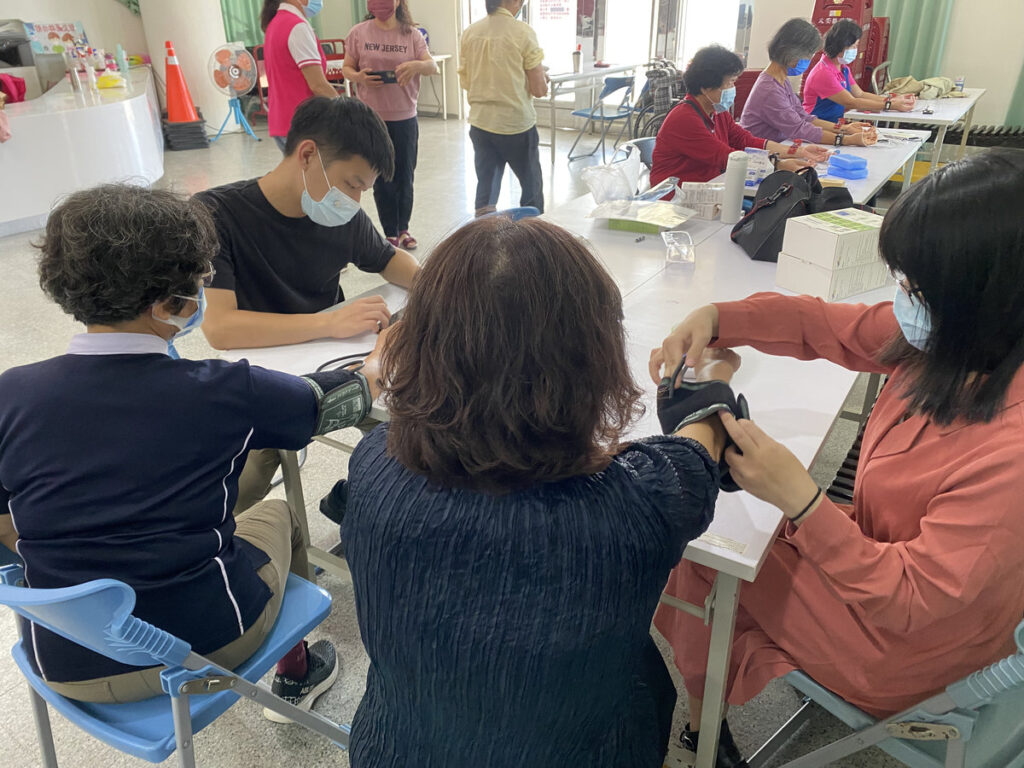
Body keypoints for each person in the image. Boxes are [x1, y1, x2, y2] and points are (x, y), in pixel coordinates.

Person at [648, 149, 1024, 766]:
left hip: (909, 644)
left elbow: (911, 600)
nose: (902, 300)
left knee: (703, 553)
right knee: (740, 536)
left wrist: (801, 500)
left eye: (914, 288)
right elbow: (821, 323)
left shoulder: (1009, 454)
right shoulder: (959, 345)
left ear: (978, 298)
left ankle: (703, 732)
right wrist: (716, 318)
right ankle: (714, 702)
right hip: (900, 574)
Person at [340, 216, 747, 766]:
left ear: (420, 348)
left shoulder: (373, 464)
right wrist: (708, 388)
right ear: (594, 362)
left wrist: (382, 364)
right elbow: (695, 452)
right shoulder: (643, 504)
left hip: (396, 750)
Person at [0, 184, 387, 718]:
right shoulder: (224, 391)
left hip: (63, 660)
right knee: (280, 514)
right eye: (201, 281)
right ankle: (296, 675)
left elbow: (7, 528)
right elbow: (336, 403)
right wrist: (378, 361)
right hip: (202, 646)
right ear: (167, 303)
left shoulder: (11, 393)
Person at [195, 96, 420, 514]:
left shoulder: (342, 216)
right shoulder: (217, 215)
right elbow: (220, 328)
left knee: (414, 431)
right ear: (308, 155)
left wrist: (438, 288)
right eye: (352, 184)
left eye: (363, 190)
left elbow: (390, 260)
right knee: (240, 486)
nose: (355, 200)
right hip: (263, 375)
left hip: (339, 365)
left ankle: (362, 501)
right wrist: (327, 323)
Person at [650, 45, 829, 187]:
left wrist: (799, 152)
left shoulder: (716, 111)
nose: (733, 89)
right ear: (706, 88)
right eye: (730, 83)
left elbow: (744, 140)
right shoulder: (684, 119)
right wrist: (778, 164)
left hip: (710, 187)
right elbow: (725, 157)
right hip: (675, 198)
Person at [343, 0, 437, 250]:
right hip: (372, 119)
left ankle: (404, 228)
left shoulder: (412, 34)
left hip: (405, 117)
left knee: (405, 175)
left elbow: (432, 66)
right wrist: (359, 77)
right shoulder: (358, 33)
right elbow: (346, 68)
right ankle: (390, 232)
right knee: (382, 177)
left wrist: (417, 65)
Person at [459, 0, 548, 216]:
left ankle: (483, 232)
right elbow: (539, 89)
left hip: (481, 124)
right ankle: (531, 232)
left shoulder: (470, 33)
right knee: (531, 187)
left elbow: (467, 81)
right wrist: (542, 76)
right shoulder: (523, 32)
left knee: (486, 191)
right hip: (515, 125)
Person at [741, 18, 877, 149]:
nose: (809, 60)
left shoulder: (781, 80)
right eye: (809, 56)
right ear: (793, 55)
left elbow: (803, 117)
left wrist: (844, 129)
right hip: (761, 153)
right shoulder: (770, 89)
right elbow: (799, 129)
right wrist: (846, 139)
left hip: (780, 146)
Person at [802, 18, 915, 124]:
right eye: (853, 46)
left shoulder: (843, 68)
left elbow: (860, 94)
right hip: (816, 125)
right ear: (840, 47)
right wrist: (890, 105)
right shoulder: (823, 73)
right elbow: (851, 102)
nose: (855, 50)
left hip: (834, 123)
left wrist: (893, 99)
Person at [261, 0, 338, 153]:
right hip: (304, 124)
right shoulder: (297, 27)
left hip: (283, 121)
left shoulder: (275, 24)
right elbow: (318, 85)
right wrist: (348, 112)